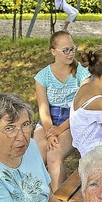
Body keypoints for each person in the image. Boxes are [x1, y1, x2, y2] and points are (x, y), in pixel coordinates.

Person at [34, 30, 90, 191]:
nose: (71, 53)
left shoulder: (81, 72)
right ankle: (41, 198)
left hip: (73, 119)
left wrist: (60, 129)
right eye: (66, 50)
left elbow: (82, 107)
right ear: (53, 52)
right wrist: (50, 132)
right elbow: (43, 109)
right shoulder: (42, 76)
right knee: (36, 157)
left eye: (73, 49)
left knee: (53, 155)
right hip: (49, 120)